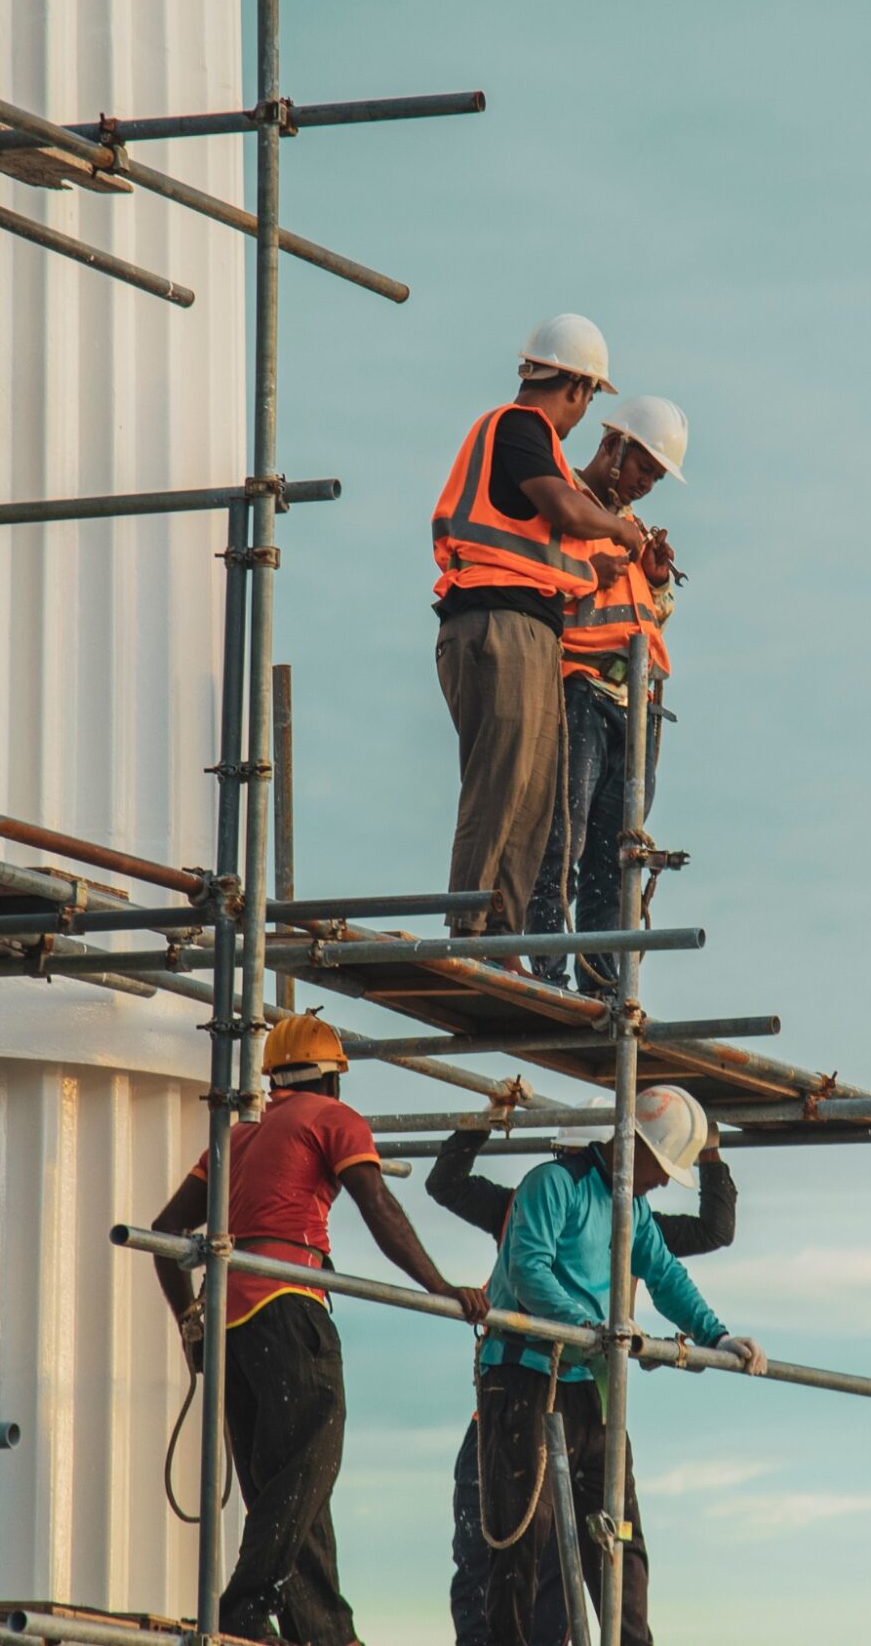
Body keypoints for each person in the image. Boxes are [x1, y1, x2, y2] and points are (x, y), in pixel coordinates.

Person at [148, 1011, 490, 1645]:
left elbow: (165, 1234)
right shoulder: (332, 1118)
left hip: (229, 1323)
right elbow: (378, 1205)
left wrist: (191, 1320)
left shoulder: (235, 1138)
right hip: (288, 1302)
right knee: (310, 1463)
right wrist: (440, 1286)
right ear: (331, 1078)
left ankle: (324, 1632)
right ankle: (244, 1606)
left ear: (275, 1078)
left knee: (285, 1483)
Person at [428, 1101, 739, 1646]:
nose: (665, 1182)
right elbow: (527, 1269)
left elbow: (665, 1274)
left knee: (620, 1541)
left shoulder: (632, 1208)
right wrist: (588, 1327)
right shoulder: (551, 1186)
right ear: (635, 1145)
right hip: (528, 1380)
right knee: (521, 1540)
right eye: (663, 1167)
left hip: (590, 1389)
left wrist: (717, 1336)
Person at [432, 316, 649, 950]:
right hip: (496, 625)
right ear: (578, 387)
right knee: (501, 782)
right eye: (589, 397)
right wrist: (620, 529)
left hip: (527, 628)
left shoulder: (534, 444)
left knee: (533, 799)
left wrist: (594, 570)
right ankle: (472, 930)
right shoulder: (520, 426)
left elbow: (540, 547)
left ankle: (503, 938)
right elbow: (562, 508)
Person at [521, 396, 689, 991]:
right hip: (581, 691)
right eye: (643, 467)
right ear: (613, 446)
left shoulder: (633, 531)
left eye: (657, 476)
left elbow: (647, 616)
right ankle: (546, 973)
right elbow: (537, 585)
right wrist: (592, 575)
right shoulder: (562, 500)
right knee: (561, 839)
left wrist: (657, 581)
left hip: (634, 706)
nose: (646, 483)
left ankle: (602, 985)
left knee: (614, 859)